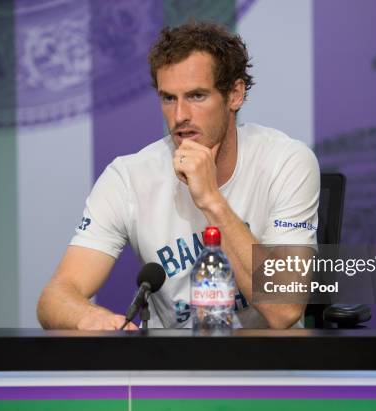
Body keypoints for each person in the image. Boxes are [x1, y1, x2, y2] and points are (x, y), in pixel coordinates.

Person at [37, 21, 320, 330]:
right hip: (174, 368)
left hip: (268, 369)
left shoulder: (286, 162)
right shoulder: (128, 177)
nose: (180, 115)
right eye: (168, 98)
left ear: (235, 95)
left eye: (197, 96)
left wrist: (211, 201)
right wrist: (90, 317)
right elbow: (56, 297)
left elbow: (286, 309)